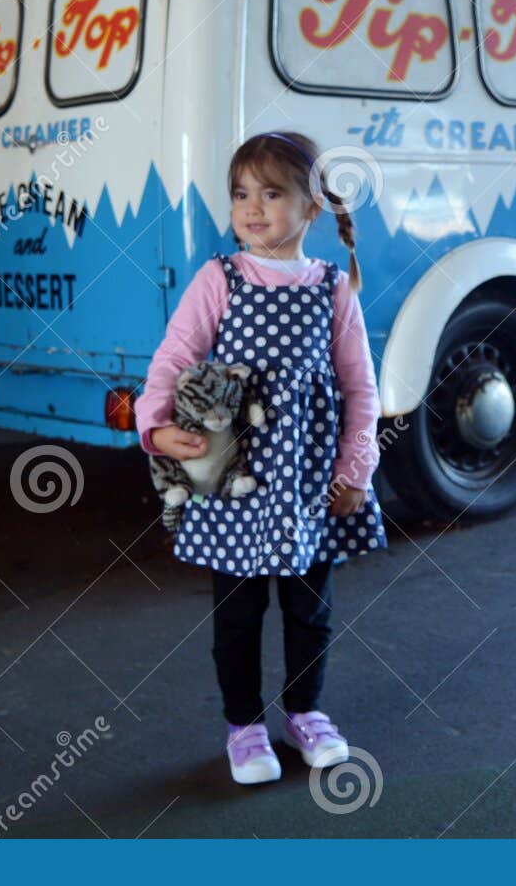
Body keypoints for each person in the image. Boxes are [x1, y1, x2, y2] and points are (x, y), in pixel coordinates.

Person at [134, 130, 389, 786]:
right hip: (236, 481)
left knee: (310, 606)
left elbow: (361, 388)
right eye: (241, 193)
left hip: (309, 485)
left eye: (271, 194)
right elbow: (173, 358)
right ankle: (244, 726)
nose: (252, 208)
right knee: (238, 611)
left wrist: (355, 469)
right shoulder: (218, 279)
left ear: (311, 209)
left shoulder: (333, 288)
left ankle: (305, 713)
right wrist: (156, 426)